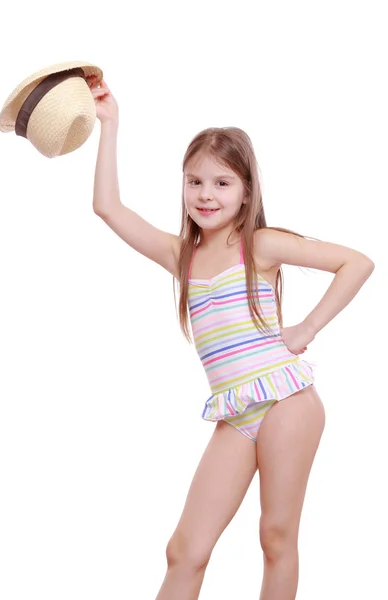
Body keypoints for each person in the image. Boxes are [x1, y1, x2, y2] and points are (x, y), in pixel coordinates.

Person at [88, 76, 374, 600]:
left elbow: (356, 263)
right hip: (236, 409)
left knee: (275, 536)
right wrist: (110, 124)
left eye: (222, 183)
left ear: (246, 192)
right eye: (194, 182)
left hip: (287, 401)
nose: (205, 194)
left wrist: (306, 328)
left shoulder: (260, 244)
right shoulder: (183, 257)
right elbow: (109, 208)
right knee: (185, 549)